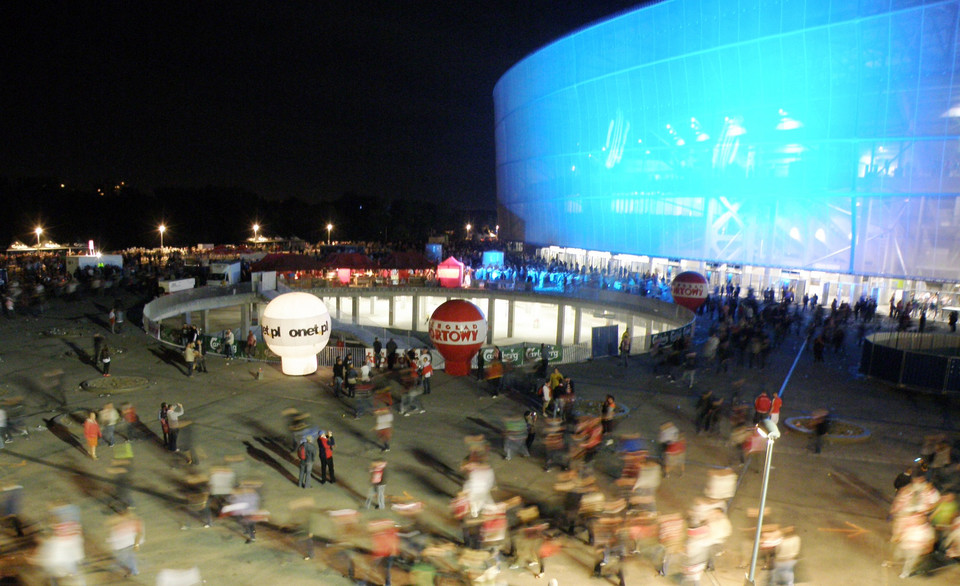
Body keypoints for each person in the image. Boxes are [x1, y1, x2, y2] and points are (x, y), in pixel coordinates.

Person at [107, 510, 143, 577]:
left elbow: (138, 532)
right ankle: (133, 570)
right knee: (129, 556)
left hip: (125, 543)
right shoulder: (131, 519)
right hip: (127, 542)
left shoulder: (120, 520)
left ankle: (131, 570)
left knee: (125, 557)